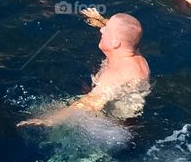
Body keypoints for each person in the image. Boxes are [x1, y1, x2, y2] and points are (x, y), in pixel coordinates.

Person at [18, 11, 150, 128]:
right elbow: (126, 34)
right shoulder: (133, 52)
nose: (102, 30)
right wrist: (100, 20)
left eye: (107, 29)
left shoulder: (116, 75)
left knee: (44, 109)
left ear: (116, 42)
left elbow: (90, 104)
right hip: (129, 116)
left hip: (115, 128)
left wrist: (50, 120)